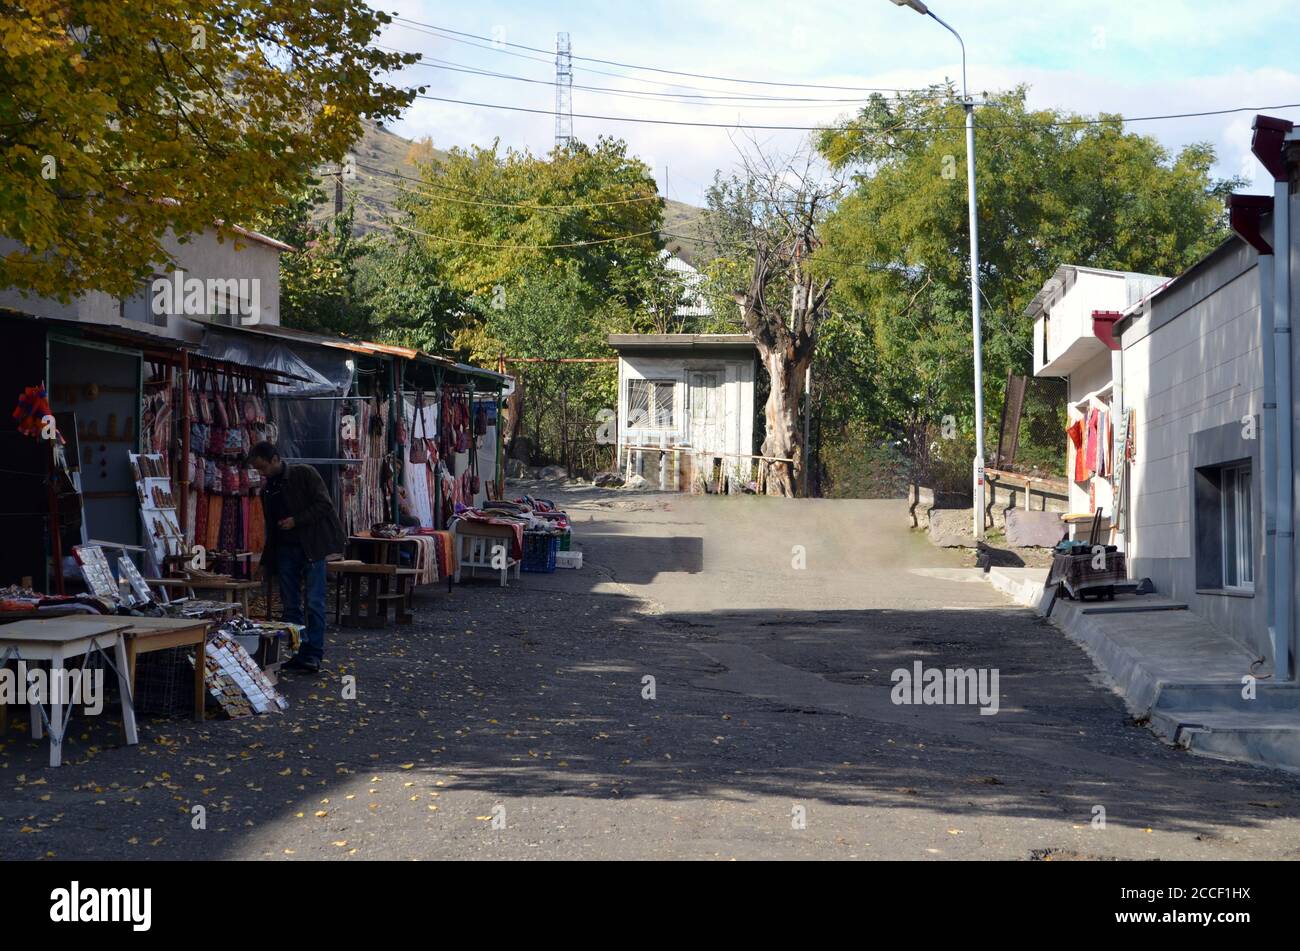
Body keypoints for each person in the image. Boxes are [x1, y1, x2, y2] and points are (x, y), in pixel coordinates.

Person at [249, 442, 346, 674]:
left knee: (314, 602)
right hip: (285, 551)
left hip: (311, 547)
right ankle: (300, 652)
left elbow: (324, 504)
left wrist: (296, 520)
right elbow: (271, 530)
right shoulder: (268, 490)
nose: (262, 474)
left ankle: (313, 653)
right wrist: (265, 562)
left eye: (263, 468)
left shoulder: (304, 474)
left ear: (275, 459)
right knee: (290, 606)